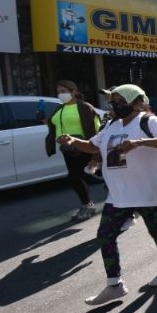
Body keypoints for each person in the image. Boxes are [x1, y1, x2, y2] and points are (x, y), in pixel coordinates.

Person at [57, 84, 157, 305]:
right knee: (105, 235)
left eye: (120, 101)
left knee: (156, 230)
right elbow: (92, 147)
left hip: (145, 190)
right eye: (113, 101)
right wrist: (73, 142)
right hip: (118, 194)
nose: (114, 105)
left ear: (136, 102)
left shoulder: (148, 121)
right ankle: (114, 285)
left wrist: (138, 143)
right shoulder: (112, 124)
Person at [44, 80, 101, 222]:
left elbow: (96, 128)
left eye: (63, 91)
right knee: (75, 177)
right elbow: (54, 124)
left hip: (84, 146)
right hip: (67, 149)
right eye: (58, 92)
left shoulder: (84, 107)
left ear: (74, 92)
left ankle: (120, 205)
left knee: (83, 175)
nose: (60, 94)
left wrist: (95, 154)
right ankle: (87, 204)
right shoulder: (59, 109)